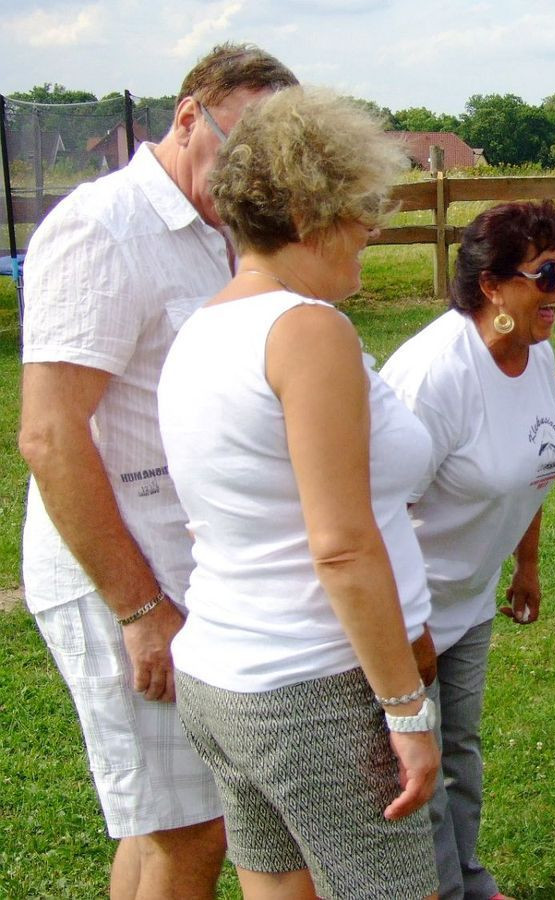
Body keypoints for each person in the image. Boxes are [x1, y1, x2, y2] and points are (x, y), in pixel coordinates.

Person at [17, 43, 296, 899]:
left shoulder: (222, 233)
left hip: (188, 566)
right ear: (187, 116)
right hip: (123, 573)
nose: (254, 170)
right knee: (195, 827)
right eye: (240, 141)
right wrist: (139, 609)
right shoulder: (103, 227)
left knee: (169, 823)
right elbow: (50, 434)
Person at [156, 86, 440, 899]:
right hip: (315, 687)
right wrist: (408, 711)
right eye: (362, 210)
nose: (371, 231)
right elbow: (342, 546)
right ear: (319, 209)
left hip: (222, 679)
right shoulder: (306, 330)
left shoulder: (203, 328)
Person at [379, 200, 555, 900]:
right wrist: (409, 625)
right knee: (418, 766)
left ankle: (466, 876)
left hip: (471, 597)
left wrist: (526, 565)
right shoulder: (435, 376)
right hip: (411, 610)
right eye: (546, 273)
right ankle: (438, 891)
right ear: (492, 285)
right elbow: (380, 512)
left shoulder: (537, 351)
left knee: (461, 751)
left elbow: (535, 461)